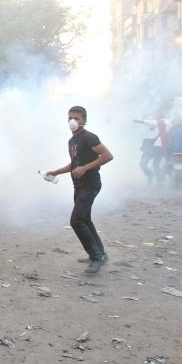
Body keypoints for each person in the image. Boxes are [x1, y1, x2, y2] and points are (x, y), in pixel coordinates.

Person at [45, 106, 114, 274]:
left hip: (91, 184)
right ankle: (100, 254)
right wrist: (56, 171)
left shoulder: (89, 138)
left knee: (76, 221)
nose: (73, 121)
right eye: (70, 118)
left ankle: (96, 258)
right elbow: (74, 164)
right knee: (85, 219)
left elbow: (107, 156)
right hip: (79, 185)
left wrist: (85, 168)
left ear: (84, 120)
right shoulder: (72, 141)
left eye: (77, 118)